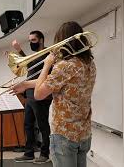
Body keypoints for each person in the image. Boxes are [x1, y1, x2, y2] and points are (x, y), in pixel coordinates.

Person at [34, 21, 97, 167]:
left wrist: (47, 64)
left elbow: (38, 94)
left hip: (64, 135)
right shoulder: (89, 64)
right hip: (83, 133)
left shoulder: (64, 66)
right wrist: (25, 84)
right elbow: (60, 83)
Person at [11, 31, 52, 164]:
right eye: (30, 40)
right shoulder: (35, 54)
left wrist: (19, 51)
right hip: (29, 94)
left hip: (41, 95)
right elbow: (28, 64)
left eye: (33, 40)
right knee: (28, 124)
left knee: (42, 125)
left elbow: (32, 62)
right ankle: (29, 152)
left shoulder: (48, 54)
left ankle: (45, 154)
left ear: (41, 40)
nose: (31, 43)